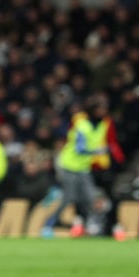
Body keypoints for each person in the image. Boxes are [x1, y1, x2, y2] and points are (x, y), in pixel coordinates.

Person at [42, 94, 111, 238]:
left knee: (92, 197)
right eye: (100, 109)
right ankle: (49, 224)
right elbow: (80, 148)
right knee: (69, 197)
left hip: (83, 167)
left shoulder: (103, 124)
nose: (103, 111)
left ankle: (91, 225)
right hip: (68, 165)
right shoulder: (82, 125)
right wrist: (98, 151)